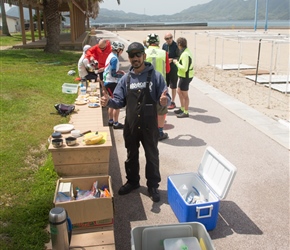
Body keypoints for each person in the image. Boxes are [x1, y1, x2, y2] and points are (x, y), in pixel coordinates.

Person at [101, 42, 170, 202]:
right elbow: (118, 101)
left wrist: (164, 100)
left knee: (152, 156)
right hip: (131, 125)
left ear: (144, 56)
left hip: (149, 126)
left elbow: (165, 97)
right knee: (131, 155)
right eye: (131, 55)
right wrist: (109, 102)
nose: (135, 58)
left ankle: (153, 186)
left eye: (138, 54)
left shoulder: (156, 76)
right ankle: (132, 181)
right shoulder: (125, 79)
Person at [145, 33, 171, 141]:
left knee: (147, 107)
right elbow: (168, 70)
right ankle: (160, 132)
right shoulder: (163, 53)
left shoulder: (144, 52)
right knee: (161, 109)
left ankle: (148, 131)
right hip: (160, 84)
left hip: (147, 84)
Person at [103, 41, 125, 129]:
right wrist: (122, 76)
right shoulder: (115, 59)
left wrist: (119, 72)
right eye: (122, 50)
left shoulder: (110, 56)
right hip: (112, 82)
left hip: (107, 81)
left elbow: (110, 70)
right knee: (117, 103)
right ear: (118, 50)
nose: (122, 52)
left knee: (111, 101)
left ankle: (110, 120)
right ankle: (116, 123)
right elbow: (113, 74)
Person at [173, 37, 194, 118]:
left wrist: (176, 63)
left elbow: (184, 68)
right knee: (179, 91)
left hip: (185, 76)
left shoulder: (185, 54)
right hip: (184, 76)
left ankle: (186, 111)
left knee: (184, 94)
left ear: (179, 44)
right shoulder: (186, 51)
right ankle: (182, 108)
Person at [162, 33, 180, 109]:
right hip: (166, 68)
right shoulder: (164, 45)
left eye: (170, 38)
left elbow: (179, 56)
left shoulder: (176, 45)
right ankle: (165, 100)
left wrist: (172, 60)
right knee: (165, 85)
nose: (169, 40)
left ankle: (173, 101)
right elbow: (162, 54)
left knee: (173, 86)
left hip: (173, 68)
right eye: (167, 38)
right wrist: (165, 60)